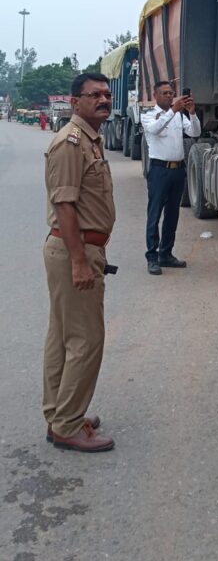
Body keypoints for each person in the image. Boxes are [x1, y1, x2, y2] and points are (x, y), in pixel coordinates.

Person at [42, 73, 116, 452]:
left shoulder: (90, 139)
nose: (103, 99)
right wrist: (79, 262)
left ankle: (60, 414)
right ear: (75, 102)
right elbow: (64, 204)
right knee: (87, 340)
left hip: (79, 248)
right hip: (76, 250)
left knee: (63, 338)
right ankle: (68, 425)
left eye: (106, 93)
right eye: (94, 95)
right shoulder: (71, 144)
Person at [142, 80, 201, 276]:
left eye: (171, 93)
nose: (169, 96)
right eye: (165, 93)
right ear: (155, 95)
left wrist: (192, 113)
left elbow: (195, 132)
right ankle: (152, 257)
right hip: (159, 170)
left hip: (177, 170)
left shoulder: (178, 116)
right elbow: (155, 129)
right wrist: (173, 111)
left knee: (172, 214)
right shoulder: (148, 115)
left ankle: (166, 253)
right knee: (155, 213)